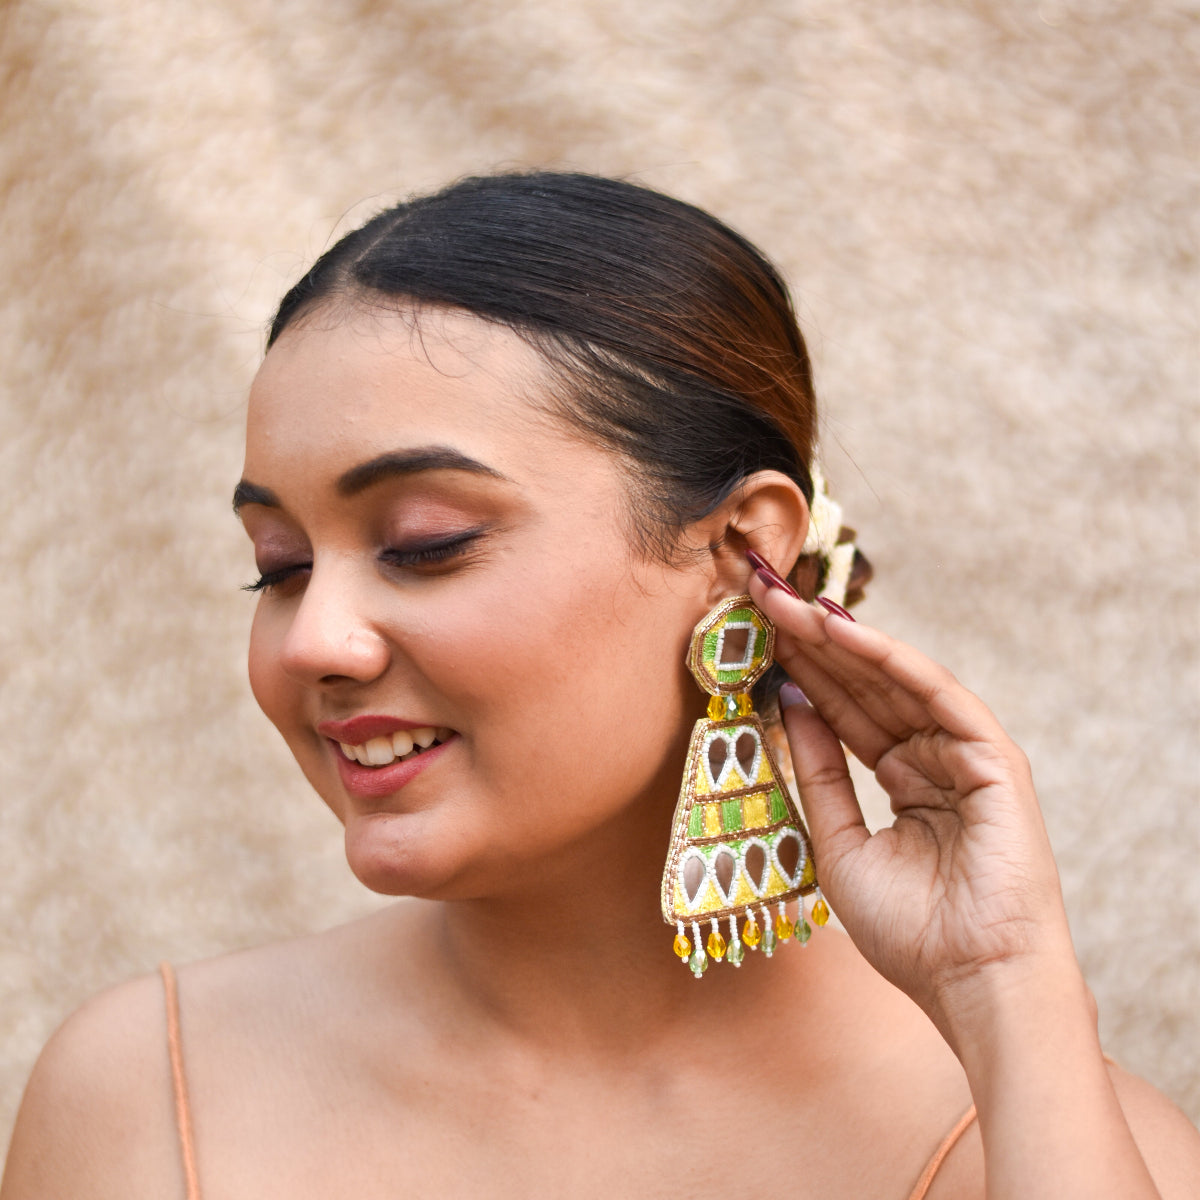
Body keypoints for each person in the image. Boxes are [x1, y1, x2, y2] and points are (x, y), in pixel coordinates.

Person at [2, 172, 1197, 1199]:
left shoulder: (1059, 1140)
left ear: (745, 557)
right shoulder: (143, 1098)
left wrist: (1006, 989)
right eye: (279, 566)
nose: (317, 639)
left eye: (424, 543)